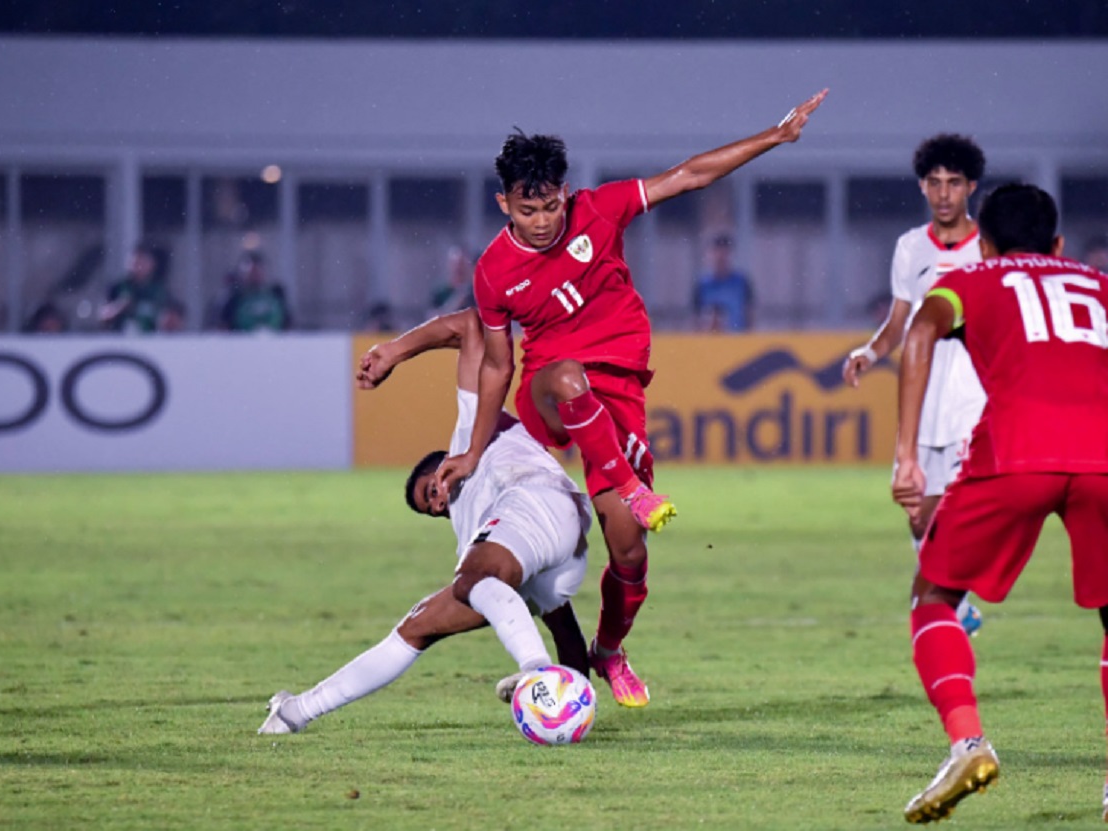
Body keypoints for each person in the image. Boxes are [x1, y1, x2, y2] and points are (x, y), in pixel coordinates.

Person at [436, 89, 828, 708]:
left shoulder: (602, 209)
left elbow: (690, 176)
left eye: (550, 206)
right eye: (527, 209)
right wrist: (474, 449)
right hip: (548, 388)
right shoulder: (492, 270)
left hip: (616, 392)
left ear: (566, 192)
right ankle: (634, 490)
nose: (542, 221)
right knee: (566, 375)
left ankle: (609, 651)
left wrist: (773, 138)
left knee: (628, 547)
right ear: (503, 203)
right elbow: (497, 365)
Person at [258, 307, 593, 734]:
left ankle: (535, 670)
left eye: (427, 490)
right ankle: (296, 713)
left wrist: (394, 351)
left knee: (471, 580)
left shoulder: (471, 434)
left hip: (537, 498)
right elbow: (561, 621)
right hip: (562, 553)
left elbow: (474, 324)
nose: (436, 504)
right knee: (418, 625)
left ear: (440, 464)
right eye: (430, 510)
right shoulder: (477, 533)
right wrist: (576, 690)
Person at [890, 183, 1108, 823]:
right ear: (1059, 244)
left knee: (934, 595)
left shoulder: (978, 277)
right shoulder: (1098, 283)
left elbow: (921, 334)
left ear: (983, 242)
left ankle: (967, 743)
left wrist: (907, 454)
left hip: (1018, 450)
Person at [843, 133, 988, 637]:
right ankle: (958, 603)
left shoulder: (989, 246)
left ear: (970, 187)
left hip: (975, 395)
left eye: (954, 183)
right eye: (934, 183)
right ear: (923, 187)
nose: (944, 193)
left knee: (962, 506)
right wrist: (869, 352)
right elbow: (901, 321)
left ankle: (948, 599)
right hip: (923, 396)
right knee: (919, 517)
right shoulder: (910, 247)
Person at [99, 243, 173, 333]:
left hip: (150, 341)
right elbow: (103, 315)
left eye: (143, 262)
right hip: (119, 339)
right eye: (136, 262)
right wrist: (119, 306)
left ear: (152, 264)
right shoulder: (117, 288)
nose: (139, 267)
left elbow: (169, 319)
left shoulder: (160, 291)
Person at [693, 234, 753, 332]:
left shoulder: (742, 283)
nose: (721, 258)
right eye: (716, 253)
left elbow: (750, 316)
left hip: (737, 342)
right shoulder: (702, 286)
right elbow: (695, 320)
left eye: (725, 254)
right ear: (710, 255)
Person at [218, 251, 292, 332]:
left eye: (258, 270)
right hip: (242, 341)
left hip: (275, 341)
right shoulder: (235, 296)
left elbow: (288, 322)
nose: (255, 274)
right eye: (251, 271)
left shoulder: (276, 293)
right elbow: (224, 325)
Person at [428, 246, 476, 316]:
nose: (459, 269)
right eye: (456, 265)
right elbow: (432, 319)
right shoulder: (440, 293)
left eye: (462, 264)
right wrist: (456, 301)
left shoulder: (473, 293)